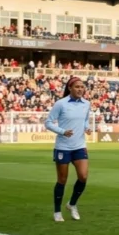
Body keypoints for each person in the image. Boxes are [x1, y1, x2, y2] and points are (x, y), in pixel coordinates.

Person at [46, 77, 92, 223]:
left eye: (82, 87)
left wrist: (86, 127)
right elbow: (48, 122)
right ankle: (57, 211)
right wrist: (62, 131)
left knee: (83, 177)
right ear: (70, 88)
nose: (80, 89)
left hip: (79, 145)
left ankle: (72, 204)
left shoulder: (87, 104)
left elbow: (85, 119)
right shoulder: (61, 104)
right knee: (62, 180)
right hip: (63, 147)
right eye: (77, 87)